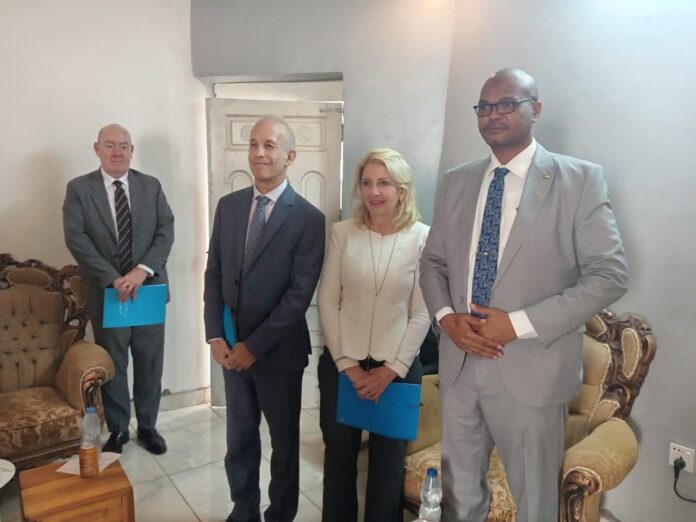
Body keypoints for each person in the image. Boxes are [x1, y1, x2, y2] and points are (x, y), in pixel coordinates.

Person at [419, 69, 629, 521]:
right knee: (459, 501)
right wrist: (446, 318)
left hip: (532, 372)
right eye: (484, 106)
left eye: (507, 103)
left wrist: (516, 324)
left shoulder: (579, 180)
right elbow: (432, 262)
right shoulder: (457, 181)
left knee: (535, 505)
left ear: (535, 109)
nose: (493, 114)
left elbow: (610, 275)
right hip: (459, 367)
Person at [204, 116, 325, 522]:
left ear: (290, 156)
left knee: (283, 443)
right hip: (230, 349)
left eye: (270, 145)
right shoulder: (229, 207)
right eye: (254, 144)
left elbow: (298, 297)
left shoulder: (308, 219)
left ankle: (280, 513)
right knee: (239, 437)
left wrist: (252, 348)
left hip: (278, 354)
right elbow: (215, 274)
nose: (259, 153)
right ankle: (244, 507)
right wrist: (215, 336)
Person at [318, 148, 431, 522]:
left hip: (396, 371)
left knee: (387, 470)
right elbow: (328, 301)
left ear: (402, 190)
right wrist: (347, 366)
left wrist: (390, 370)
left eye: (384, 183)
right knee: (338, 463)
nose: (374, 192)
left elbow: (421, 312)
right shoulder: (342, 233)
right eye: (367, 183)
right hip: (342, 367)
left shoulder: (422, 237)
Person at [63, 123, 174, 455]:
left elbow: (165, 231)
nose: (117, 152)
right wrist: (115, 279)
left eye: (124, 145)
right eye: (109, 145)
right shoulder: (79, 189)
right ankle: (119, 429)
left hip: (148, 290)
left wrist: (140, 272)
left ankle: (148, 427)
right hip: (108, 294)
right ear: (96, 148)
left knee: (150, 363)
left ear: (132, 150)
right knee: (113, 364)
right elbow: (77, 239)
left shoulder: (151, 186)